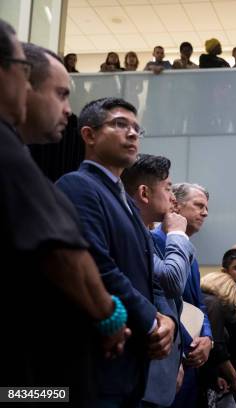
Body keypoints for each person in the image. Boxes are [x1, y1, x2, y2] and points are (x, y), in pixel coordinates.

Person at [0, 26, 128, 406]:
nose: (68, 109)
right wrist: (110, 316)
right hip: (34, 385)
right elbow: (61, 251)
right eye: (61, 94)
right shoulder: (7, 153)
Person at [56, 97, 177, 407]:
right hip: (96, 361)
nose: (133, 133)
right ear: (89, 135)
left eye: (137, 128)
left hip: (130, 369)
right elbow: (97, 266)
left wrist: (165, 320)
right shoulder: (78, 186)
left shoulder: (126, 201)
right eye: (120, 124)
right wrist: (151, 321)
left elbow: (143, 276)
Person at [121, 154, 195, 407]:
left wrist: (177, 356)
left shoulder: (149, 236)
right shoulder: (132, 235)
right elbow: (172, 281)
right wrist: (177, 234)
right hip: (140, 376)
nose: (174, 197)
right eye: (168, 188)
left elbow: (171, 302)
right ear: (144, 193)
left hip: (160, 371)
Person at [152, 182, 214, 408]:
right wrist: (174, 355)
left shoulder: (191, 256)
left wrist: (208, 338)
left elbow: (199, 305)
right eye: (199, 205)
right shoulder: (151, 243)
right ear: (175, 206)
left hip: (191, 362)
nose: (205, 212)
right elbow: (157, 303)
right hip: (164, 357)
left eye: (206, 207)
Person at [200, 249, 236, 405]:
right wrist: (234, 378)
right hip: (219, 383)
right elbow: (217, 346)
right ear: (225, 272)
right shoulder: (214, 302)